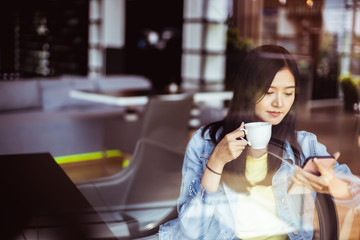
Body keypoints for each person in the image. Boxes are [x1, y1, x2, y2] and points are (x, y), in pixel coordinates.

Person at [158, 45, 360, 240]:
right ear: (247, 90)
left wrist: (333, 185)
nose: (279, 103)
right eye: (269, 92)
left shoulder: (305, 146)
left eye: (288, 93)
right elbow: (192, 231)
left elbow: (357, 194)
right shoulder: (205, 143)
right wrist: (216, 163)